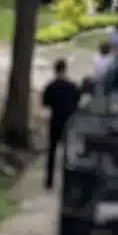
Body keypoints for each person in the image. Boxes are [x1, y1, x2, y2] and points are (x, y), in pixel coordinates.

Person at [41, 59, 80, 190]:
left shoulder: (50, 86)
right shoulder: (72, 86)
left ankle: (49, 180)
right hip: (68, 121)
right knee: (68, 152)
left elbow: (45, 103)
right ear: (65, 69)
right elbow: (77, 103)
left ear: (55, 70)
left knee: (52, 150)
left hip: (55, 119)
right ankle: (67, 181)